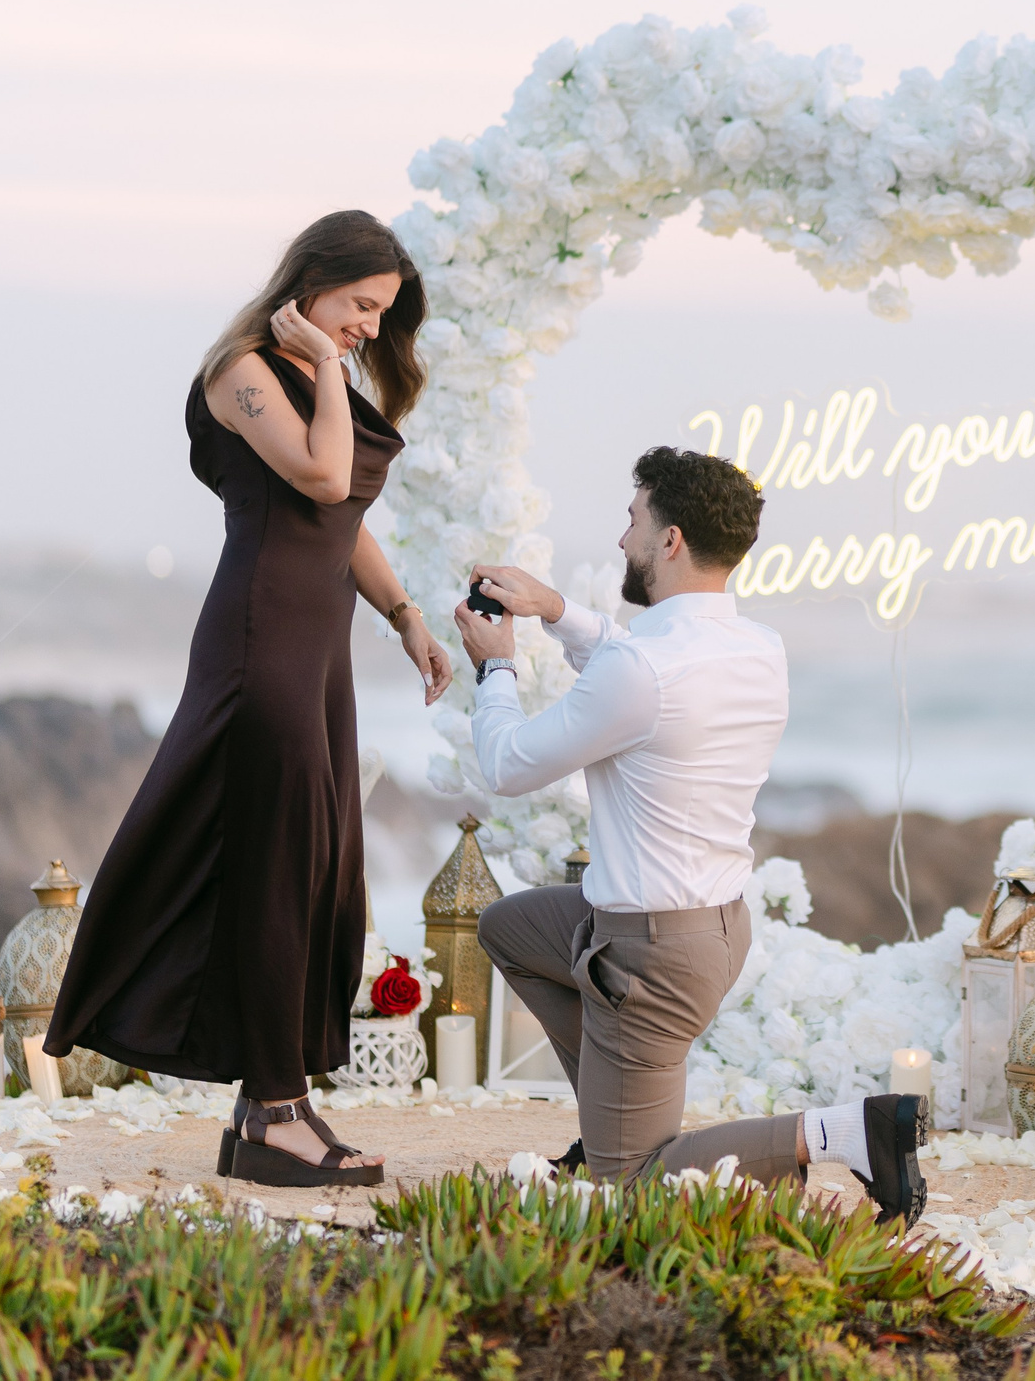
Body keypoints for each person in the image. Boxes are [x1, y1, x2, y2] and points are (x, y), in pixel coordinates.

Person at [45, 211, 453, 1190]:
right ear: (311, 282)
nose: (365, 327)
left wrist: (404, 614)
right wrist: (316, 364)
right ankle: (274, 1115)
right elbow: (319, 474)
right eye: (360, 306)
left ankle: (274, 1106)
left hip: (318, 654)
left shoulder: (321, 378)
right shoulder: (244, 372)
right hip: (258, 641)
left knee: (311, 874)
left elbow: (341, 515)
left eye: (380, 314)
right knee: (272, 870)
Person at [456, 447, 925, 1222]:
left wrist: (495, 668)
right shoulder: (754, 647)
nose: (621, 539)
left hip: (649, 956)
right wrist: (555, 609)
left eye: (632, 518)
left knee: (630, 1186)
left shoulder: (641, 669)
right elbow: (637, 671)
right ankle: (612, 1114)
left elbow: (509, 763)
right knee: (508, 926)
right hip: (716, 927)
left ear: (669, 540)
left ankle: (849, 1131)